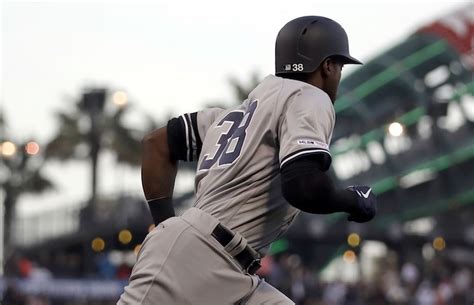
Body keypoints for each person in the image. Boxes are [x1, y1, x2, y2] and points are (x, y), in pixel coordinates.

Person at [117, 15, 377, 305]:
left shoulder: (228, 116)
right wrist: (353, 201)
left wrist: (167, 227)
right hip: (197, 256)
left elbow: (156, 144)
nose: (339, 74)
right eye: (339, 65)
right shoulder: (310, 96)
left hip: (234, 270)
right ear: (327, 65)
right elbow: (303, 187)